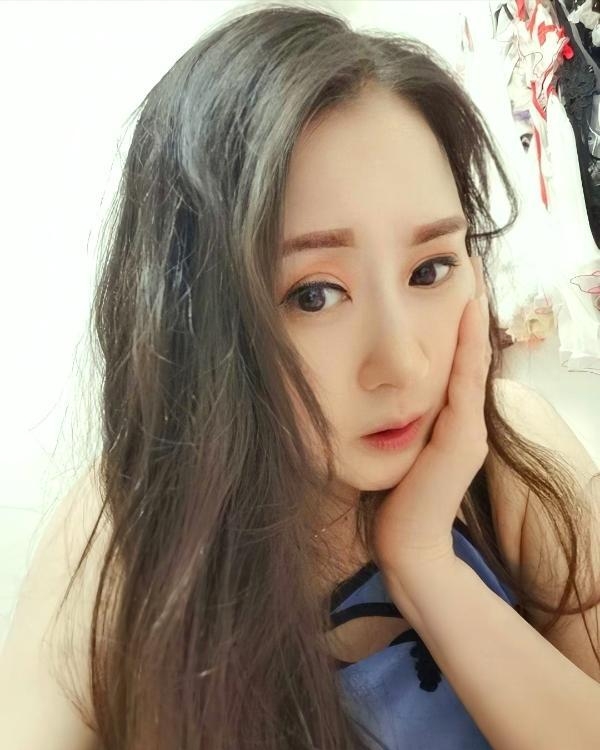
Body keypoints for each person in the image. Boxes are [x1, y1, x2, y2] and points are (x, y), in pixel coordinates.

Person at [2, 3, 600, 749]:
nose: (402, 363)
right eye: (314, 294)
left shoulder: (511, 456)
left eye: (430, 269)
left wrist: (427, 566)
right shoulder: (129, 523)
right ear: (199, 319)